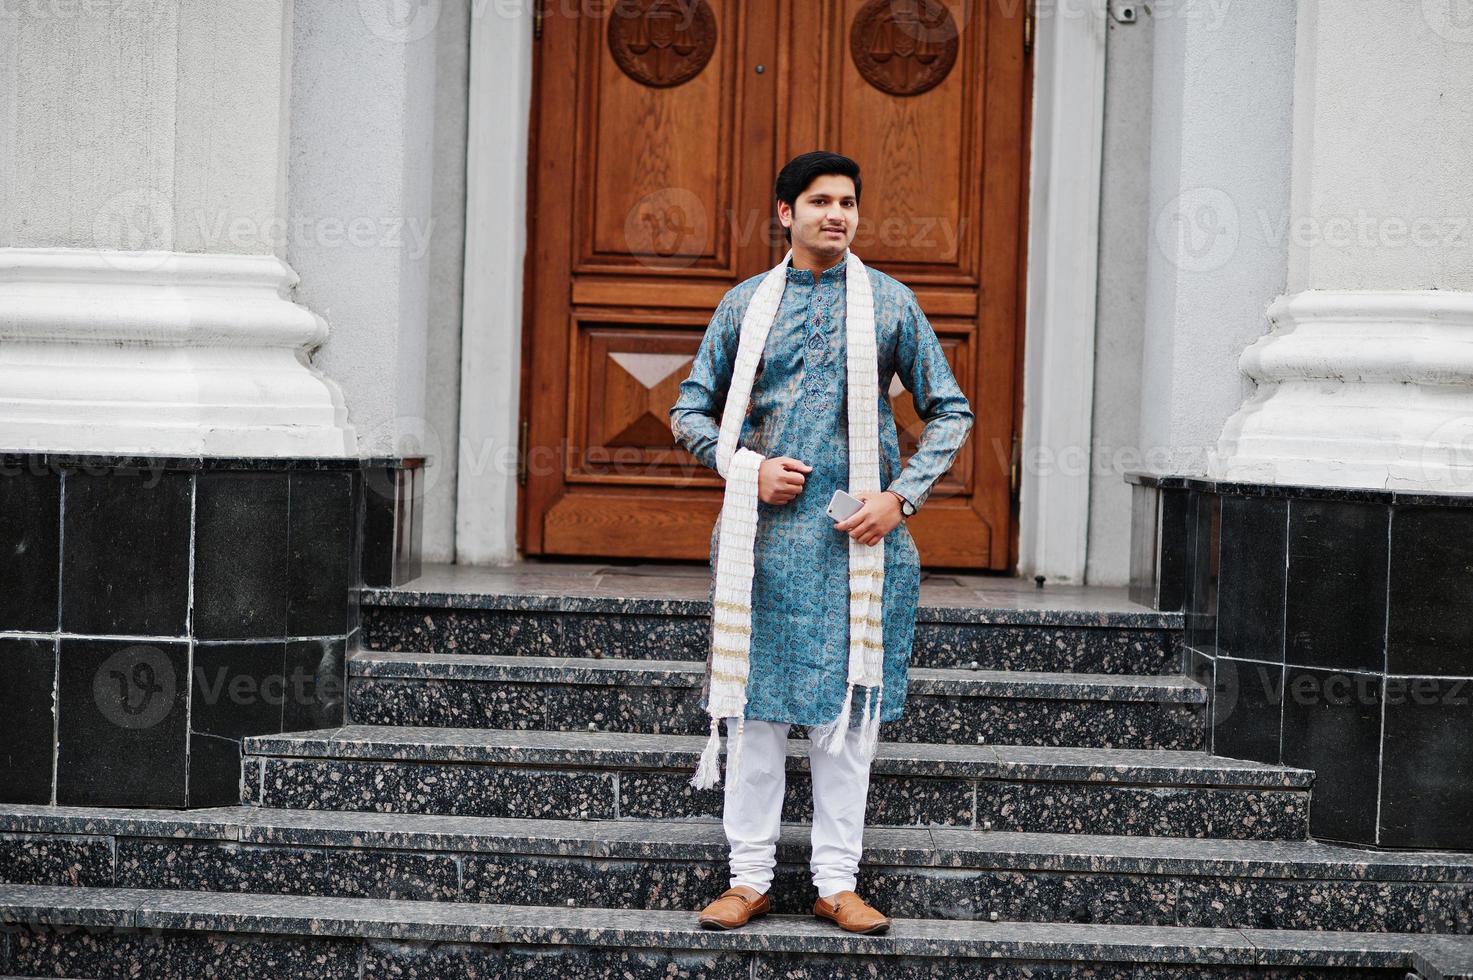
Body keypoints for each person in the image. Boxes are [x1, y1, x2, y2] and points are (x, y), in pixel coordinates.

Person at [668, 150, 974, 934]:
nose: (835, 214)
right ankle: (748, 878)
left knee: (846, 723)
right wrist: (747, 467)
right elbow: (689, 411)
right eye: (818, 202)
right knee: (755, 716)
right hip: (762, 544)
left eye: (846, 202)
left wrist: (898, 499)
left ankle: (836, 883)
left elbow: (951, 410)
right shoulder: (744, 305)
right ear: (784, 214)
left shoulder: (891, 304)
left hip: (856, 541)